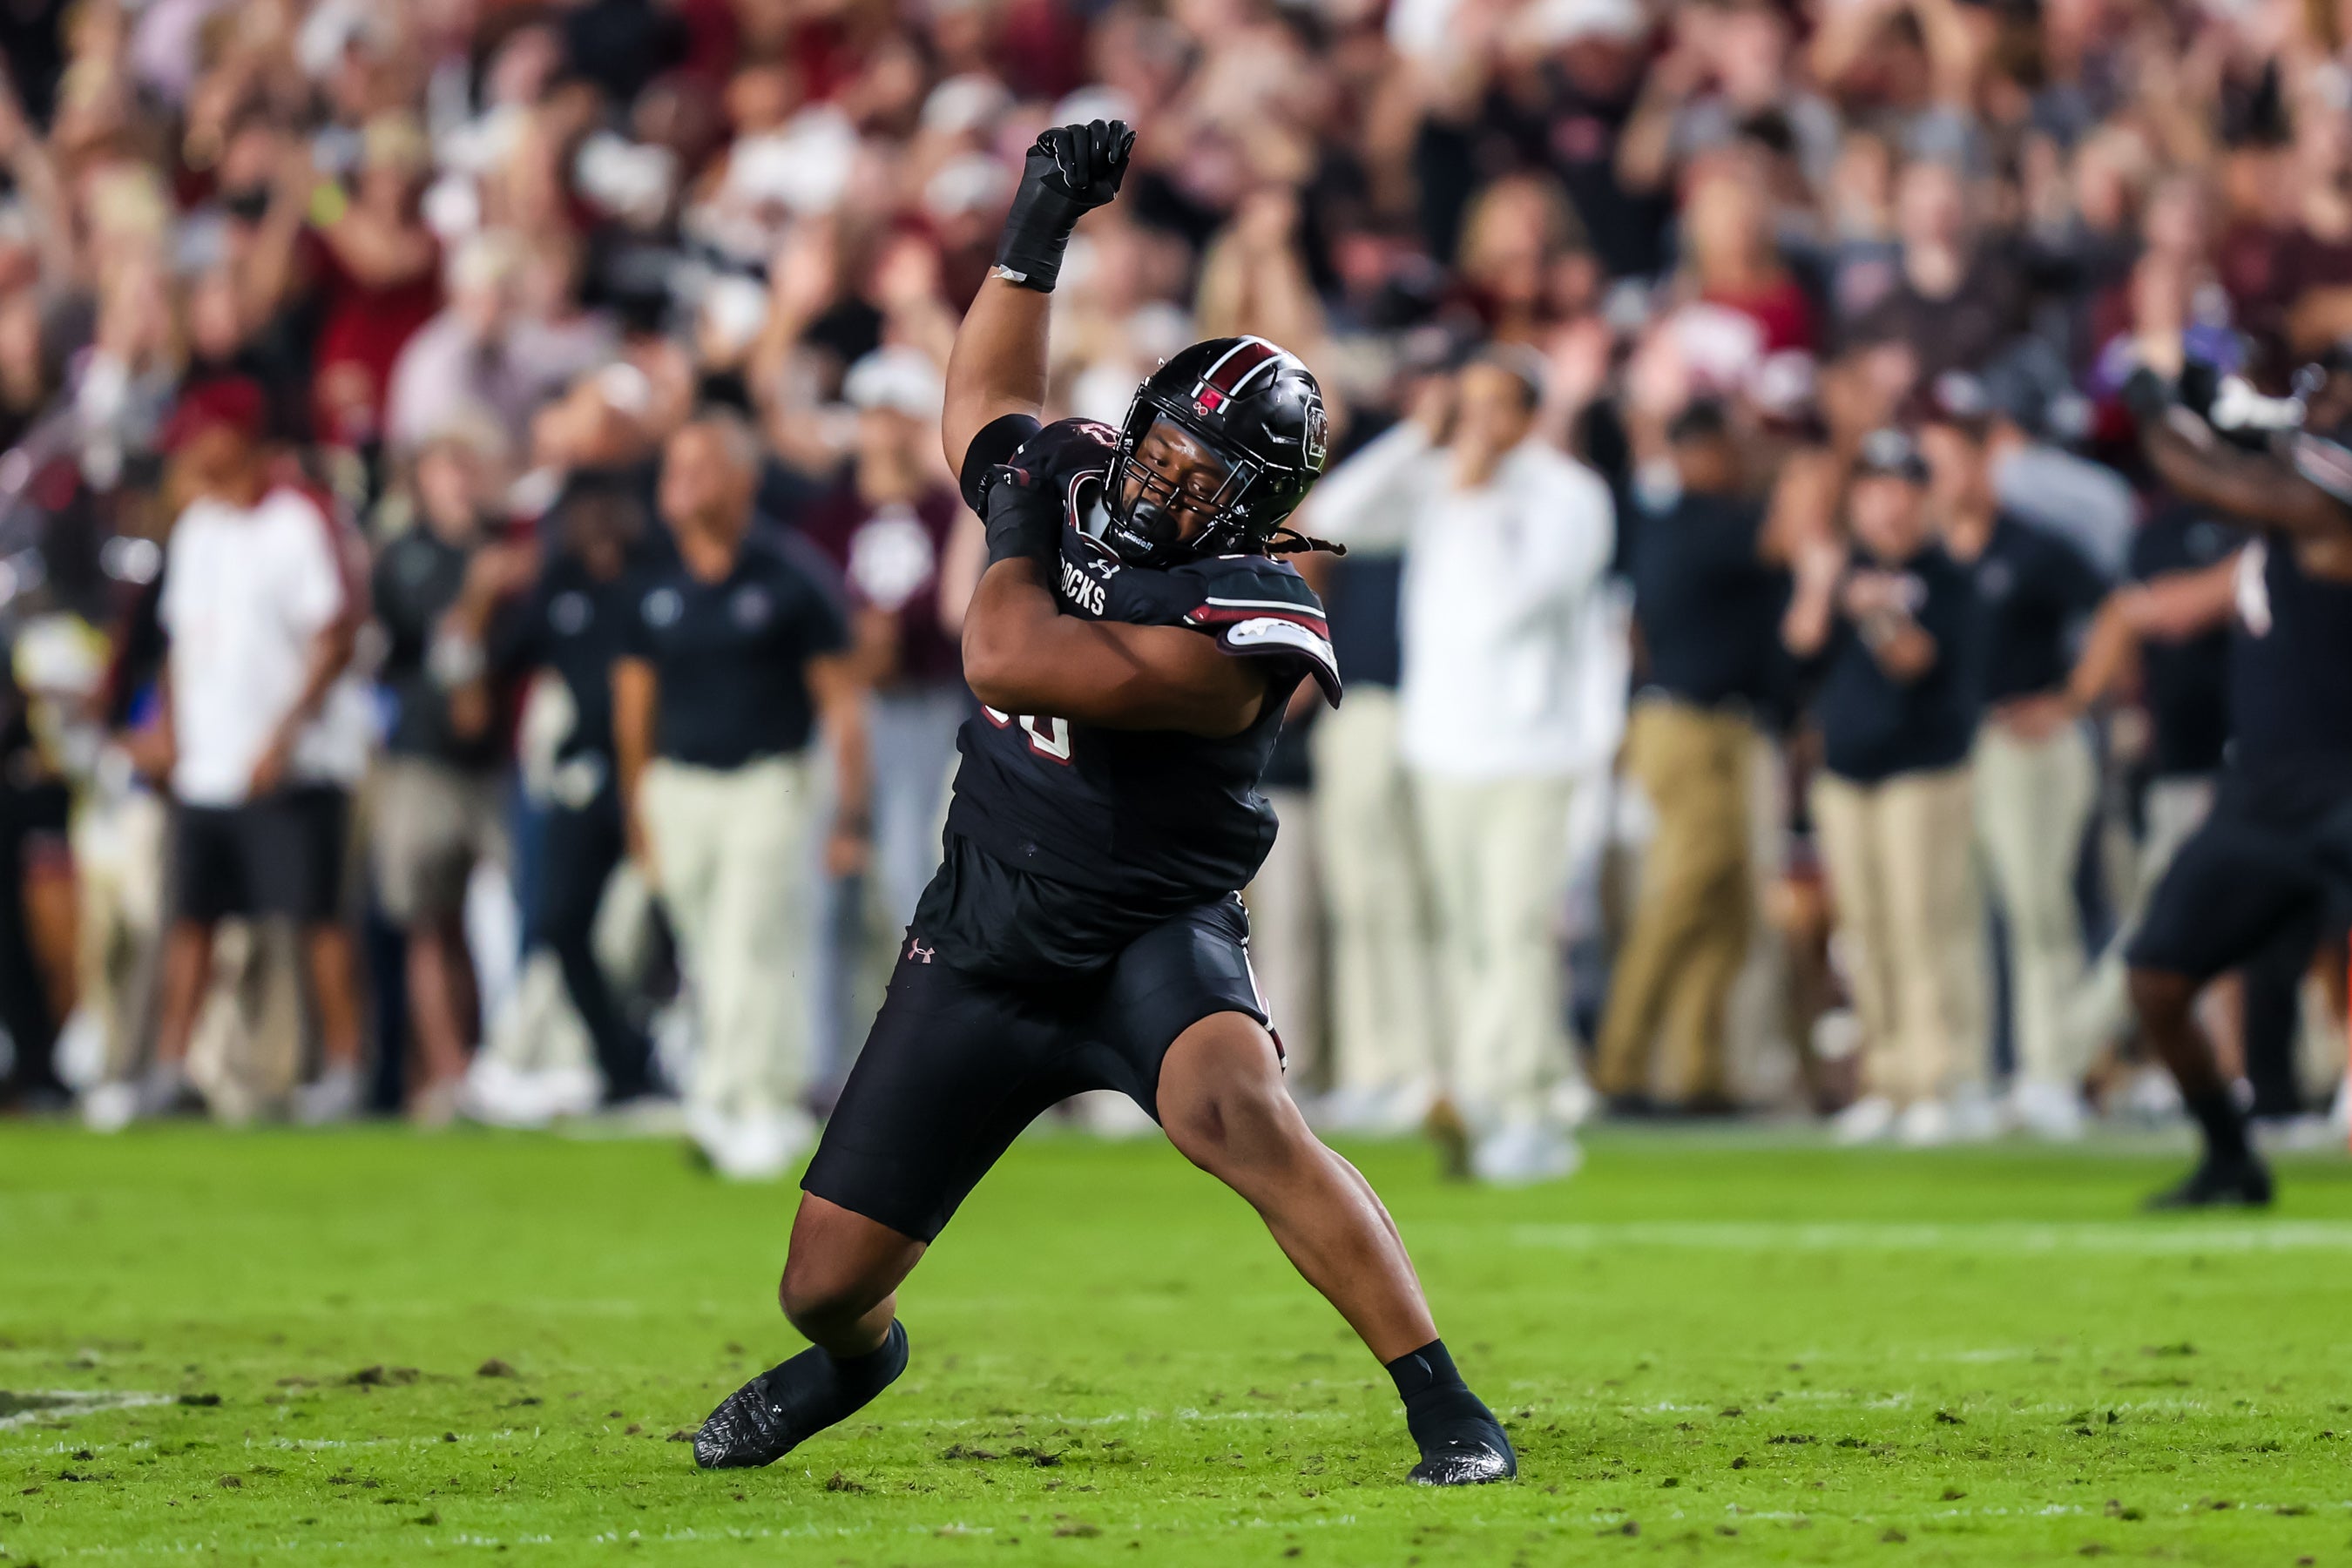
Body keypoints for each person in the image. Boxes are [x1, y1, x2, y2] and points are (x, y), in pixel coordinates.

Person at [692, 121, 1517, 1489]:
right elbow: (984, 403)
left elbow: (1008, 653)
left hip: (1147, 929)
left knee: (1240, 1115)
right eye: (1163, 449)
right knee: (820, 1288)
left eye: (1207, 479)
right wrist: (1034, 234)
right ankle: (856, 1364)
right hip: (982, 933)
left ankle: (1444, 1401)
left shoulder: (1259, 611)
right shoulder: (1076, 477)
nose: (1165, 482)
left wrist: (1017, 521)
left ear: (1258, 509)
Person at [1308, 348, 1618, 1183]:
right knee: (1468, 938)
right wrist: (1416, 438)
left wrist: (1473, 496)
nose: (1478, 422)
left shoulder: (1570, 496)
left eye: (1494, 405)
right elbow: (1334, 513)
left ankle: (1500, 1102)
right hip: (1442, 750)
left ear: (1530, 412)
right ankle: (1528, 1097)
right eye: (1467, 404)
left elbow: (1510, 608)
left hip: (1530, 754)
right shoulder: (1438, 476)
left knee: (1516, 931)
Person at [2115, 352, 2352, 1206]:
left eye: (2339, 386)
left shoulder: (2326, 500)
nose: (2318, 397)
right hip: (2262, 795)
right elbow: (2241, 454)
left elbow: (2213, 477)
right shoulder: (2298, 483)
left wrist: (2152, 409)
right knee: (2158, 979)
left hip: (2342, 787)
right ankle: (2229, 1154)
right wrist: (2204, 400)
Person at [613, 412, 869, 1179]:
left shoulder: (791, 577)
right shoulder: (652, 583)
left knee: (747, 941)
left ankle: (745, 1100)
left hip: (767, 781)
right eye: (674, 469)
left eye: (700, 467)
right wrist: (638, 808)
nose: (681, 484)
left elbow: (842, 706)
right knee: (706, 946)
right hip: (677, 788)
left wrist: (848, 811)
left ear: (742, 480)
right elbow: (634, 710)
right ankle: (748, 1095)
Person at [142, 378, 371, 1122]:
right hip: (207, 760)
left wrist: (285, 734)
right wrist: (169, 730)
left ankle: (344, 1067)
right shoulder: (196, 528)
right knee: (192, 921)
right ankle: (172, 1069)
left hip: (290, 762)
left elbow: (332, 638)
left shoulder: (296, 522)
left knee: (314, 918)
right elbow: (181, 642)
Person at [1785, 428, 1990, 1146]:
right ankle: (1886, 1078)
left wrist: (1876, 608)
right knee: (1865, 932)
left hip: (1923, 770)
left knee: (1923, 923)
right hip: (1847, 772)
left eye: (1901, 487)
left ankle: (1941, 1078)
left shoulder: (1949, 573)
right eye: (1873, 489)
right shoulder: (1843, 570)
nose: (1887, 504)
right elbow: (1801, 645)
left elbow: (1916, 660)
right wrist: (1820, 583)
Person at [1921, 389, 2110, 1139]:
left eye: (1946, 462)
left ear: (1983, 462)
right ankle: (1977, 1071)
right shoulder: (1930, 557)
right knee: (1960, 914)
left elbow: (2118, 609)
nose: (1935, 479)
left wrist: (2072, 700)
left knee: (2039, 912)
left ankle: (2052, 1073)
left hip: (2029, 743)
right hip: (1951, 747)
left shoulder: (2032, 544)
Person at [1596, 399, 1789, 1114]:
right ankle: (1620, 1063)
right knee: (1683, 890)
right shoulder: (1682, 523)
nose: (1736, 460)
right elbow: (1781, 540)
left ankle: (1698, 1071)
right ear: (1688, 452)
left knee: (1729, 904)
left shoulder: (1710, 521)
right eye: (1724, 447)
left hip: (1729, 726)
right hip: (1684, 724)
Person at [369, 426, 521, 1125]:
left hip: (500, 762)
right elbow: (415, 653)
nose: (457, 482)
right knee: (430, 919)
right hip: (423, 757)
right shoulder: (405, 558)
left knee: (504, 920)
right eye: (443, 468)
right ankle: (449, 1068)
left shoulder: (511, 546)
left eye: (468, 466)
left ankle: (498, 1061)